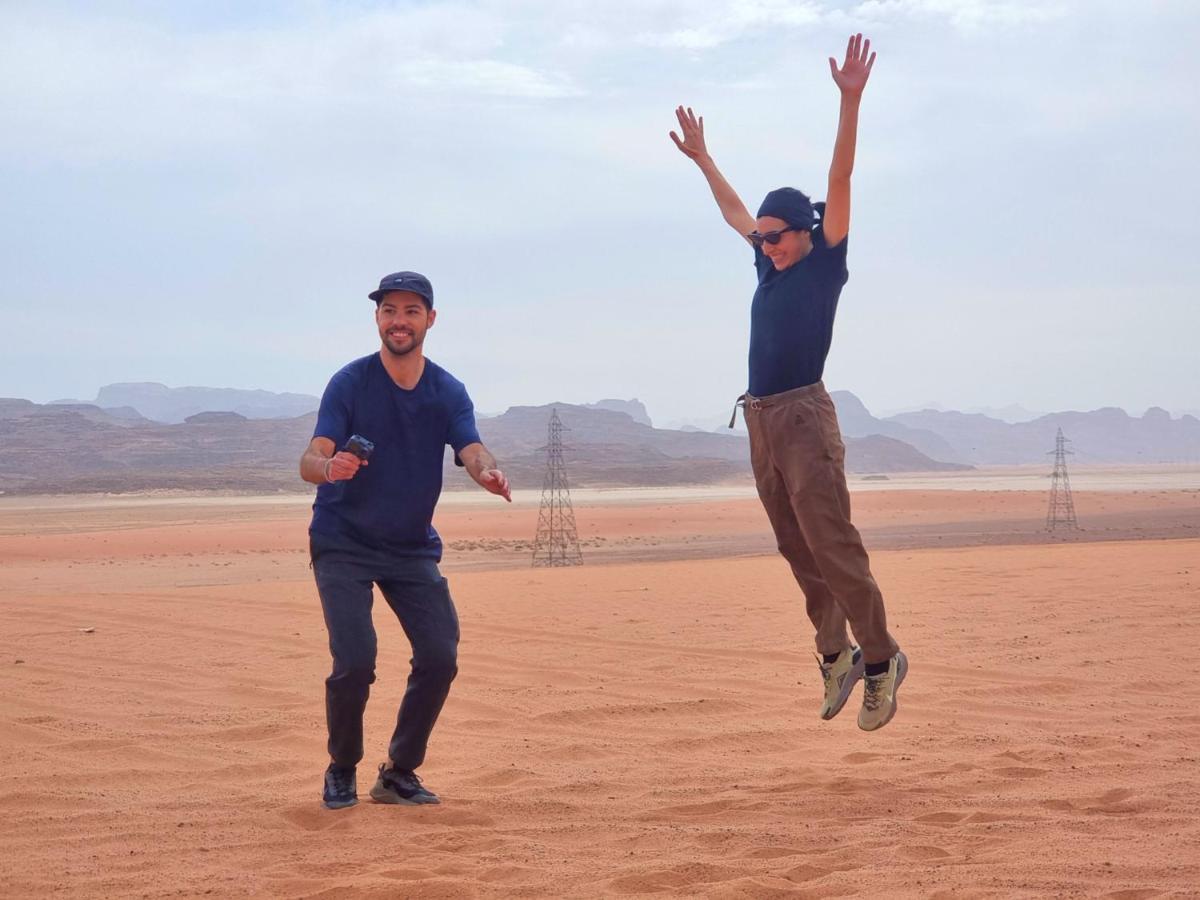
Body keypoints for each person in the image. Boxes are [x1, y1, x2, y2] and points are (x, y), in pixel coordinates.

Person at [669, 34, 906, 731]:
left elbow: (839, 182)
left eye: (776, 237)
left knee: (832, 541)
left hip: (804, 415)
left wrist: (851, 102)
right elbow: (734, 213)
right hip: (763, 419)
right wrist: (705, 159)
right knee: (793, 543)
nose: (764, 246)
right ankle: (835, 652)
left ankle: (881, 658)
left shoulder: (823, 262)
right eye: (763, 239)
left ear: (805, 234)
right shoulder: (767, 261)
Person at [299, 270, 511, 809]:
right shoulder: (350, 383)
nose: (399, 320)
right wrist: (330, 468)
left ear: (430, 320)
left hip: (410, 546)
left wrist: (487, 472)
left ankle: (398, 772)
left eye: (411, 311)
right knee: (356, 660)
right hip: (342, 541)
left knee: (440, 655)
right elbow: (310, 456)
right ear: (377, 319)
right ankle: (342, 765)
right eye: (389, 310)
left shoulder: (446, 390)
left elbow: (471, 448)